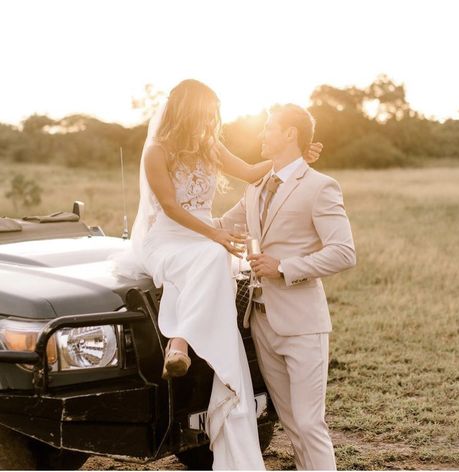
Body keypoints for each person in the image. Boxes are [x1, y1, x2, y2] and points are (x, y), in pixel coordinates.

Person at [112, 80, 322, 470]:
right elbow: (171, 208)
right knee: (211, 257)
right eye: (208, 112)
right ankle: (181, 345)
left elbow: (249, 171)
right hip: (170, 238)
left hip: (203, 241)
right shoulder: (157, 152)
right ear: (188, 110)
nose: (213, 119)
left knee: (208, 262)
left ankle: (179, 345)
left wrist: (294, 159)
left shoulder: (209, 146)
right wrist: (216, 235)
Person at [214, 103, 356, 470]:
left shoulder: (320, 186)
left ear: (290, 133)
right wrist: (172, 222)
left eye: (269, 128)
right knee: (291, 424)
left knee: (310, 423)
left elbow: (344, 252)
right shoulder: (256, 187)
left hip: (302, 322)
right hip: (260, 321)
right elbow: (221, 226)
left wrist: (285, 267)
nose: (262, 134)